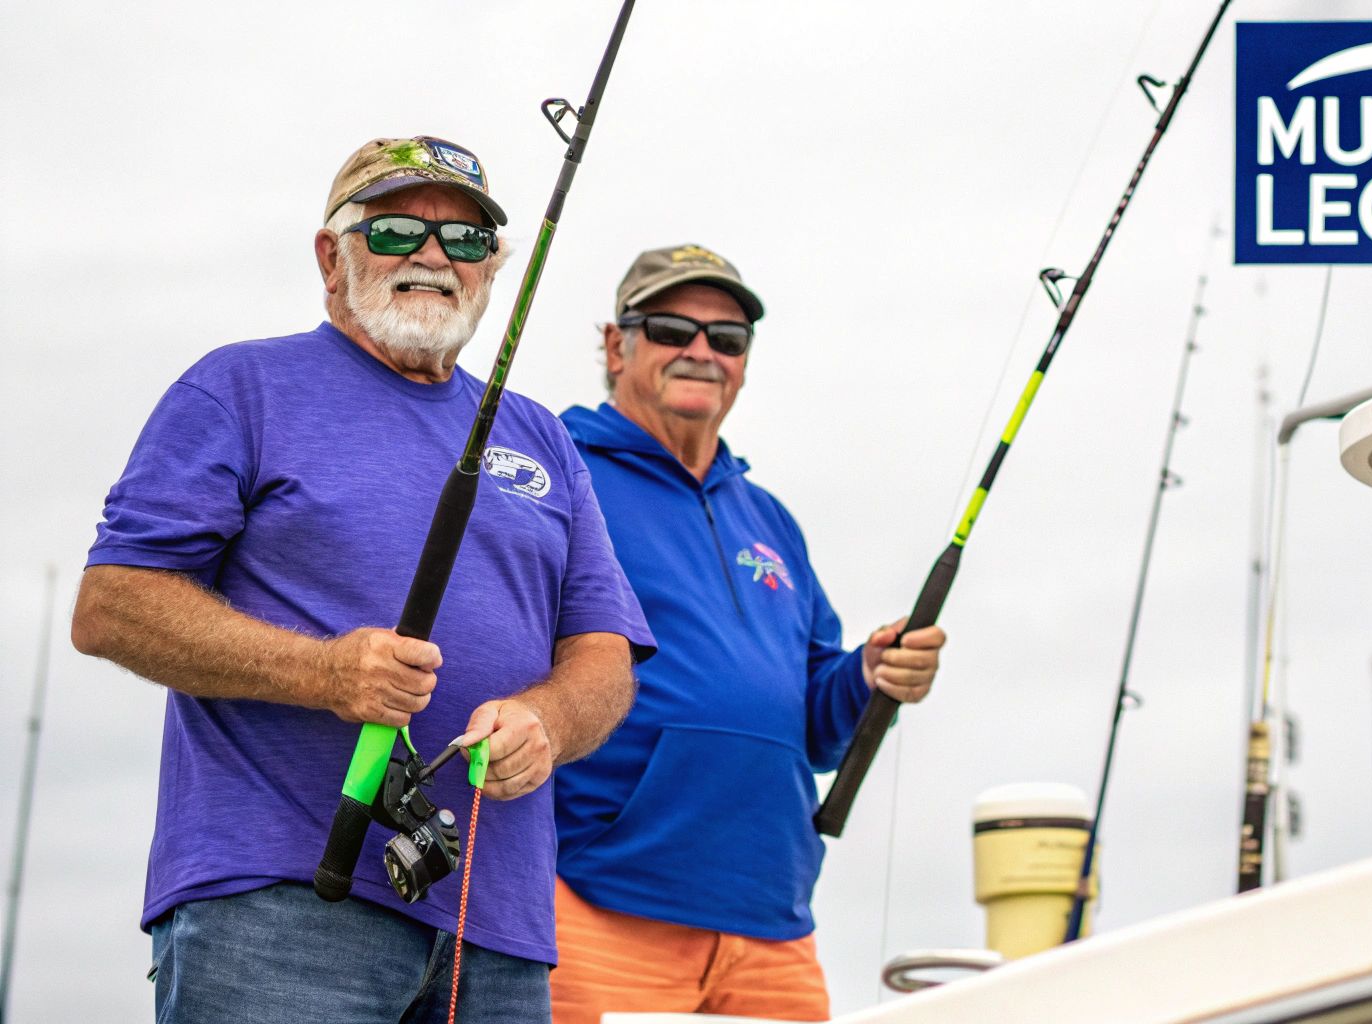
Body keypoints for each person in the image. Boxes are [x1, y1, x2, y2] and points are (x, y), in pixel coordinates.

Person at [71, 135, 654, 1023]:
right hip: (275, 910)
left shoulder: (544, 438)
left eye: (464, 240)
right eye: (394, 230)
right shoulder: (239, 386)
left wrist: (550, 721)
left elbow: (604, 656)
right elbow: (112, 606)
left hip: (495, 935)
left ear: (492, 269)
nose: (431, 255)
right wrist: (323, 672)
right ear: (330, 256)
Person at [548, 244, 947, 1022]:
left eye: (726, 339)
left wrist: (869, 673)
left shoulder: (769, 521)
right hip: (600, 897)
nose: (701, 352)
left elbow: (821, 730)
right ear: (615, 345)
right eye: (671, 329)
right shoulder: (559, 472)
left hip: (770, 916)